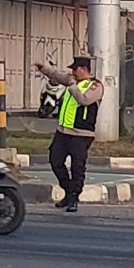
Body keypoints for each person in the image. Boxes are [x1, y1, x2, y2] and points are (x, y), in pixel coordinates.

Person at [35, 54, 102, 212]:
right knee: (55, 160)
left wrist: (72, 86)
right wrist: (43, 67)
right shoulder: (73, 80)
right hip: (63, 131)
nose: (72, 72)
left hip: (82, 134)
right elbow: (57, 75)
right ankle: (68, 190)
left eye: (75, 69)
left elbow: (84, 100)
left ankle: (73, 199)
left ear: (84, 69)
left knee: (77, 167)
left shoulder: (95, 86)